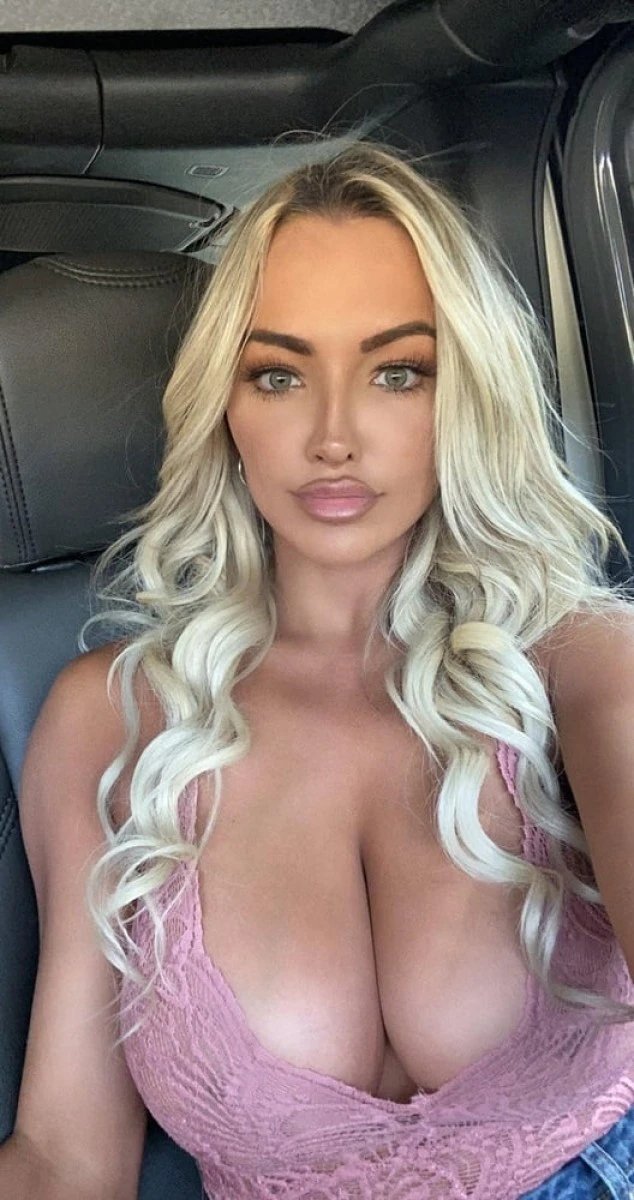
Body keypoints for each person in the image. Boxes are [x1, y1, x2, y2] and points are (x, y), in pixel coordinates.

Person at [2, 140, 634, 1200]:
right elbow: (69, 1163)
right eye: (280, 375)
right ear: (226, 405)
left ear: (466, 397)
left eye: (398, 372)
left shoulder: (584, 668)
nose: (333, 435)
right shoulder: (112, 718)